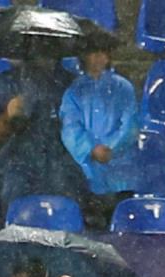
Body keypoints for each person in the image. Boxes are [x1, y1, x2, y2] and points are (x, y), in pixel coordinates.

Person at [0, 58, 89, 230]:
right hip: (14, 173)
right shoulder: (2, 86)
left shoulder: (77, 88)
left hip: (64, 174)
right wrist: (8, 119)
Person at [60, 47, 140, 227]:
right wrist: (91, 149)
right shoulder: (74, 91)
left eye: (102, 53)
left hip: (120, 173)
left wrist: (112, 147)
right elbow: (70, 127)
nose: (97, 59)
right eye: (92, 53)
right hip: (85, 172)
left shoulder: (124, 87)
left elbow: (130, 124)